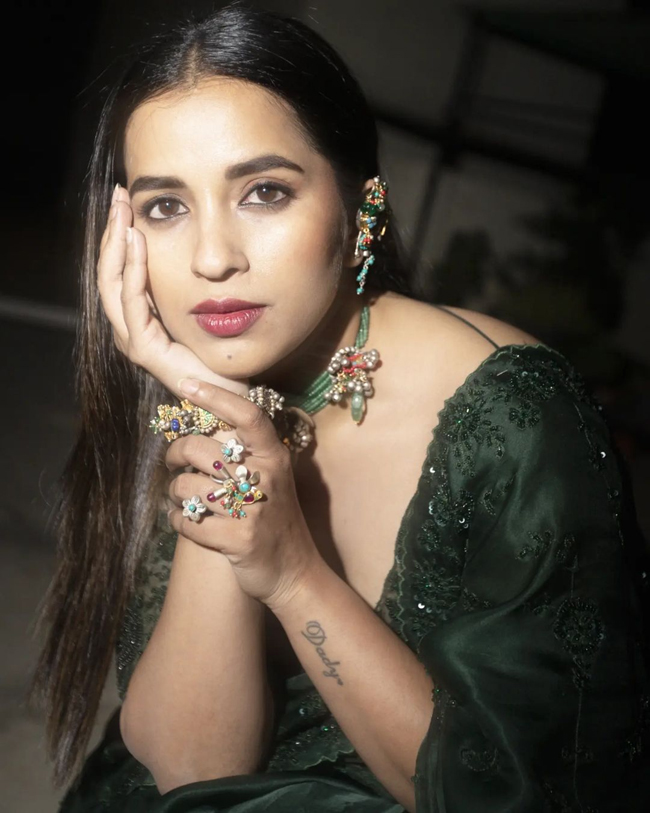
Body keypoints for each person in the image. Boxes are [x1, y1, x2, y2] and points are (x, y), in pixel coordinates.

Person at [29, 3, 650, 811]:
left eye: (264, 192)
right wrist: (217, 408)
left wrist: (293, 575)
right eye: (166, 206)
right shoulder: (200, 392)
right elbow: (194, 769)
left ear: (364, 210)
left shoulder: (516, 417)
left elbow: (510, 791)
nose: (212, 259)